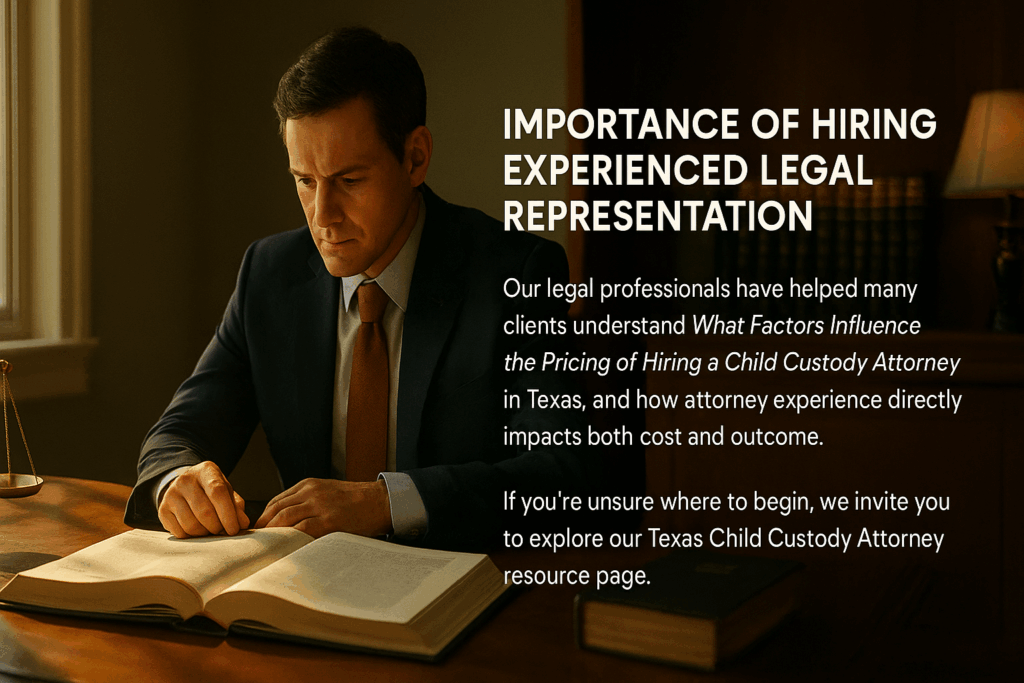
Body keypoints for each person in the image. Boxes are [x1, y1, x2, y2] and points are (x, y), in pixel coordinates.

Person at [123, 27, 599, 551]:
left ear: (415, 158)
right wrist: (177, 479)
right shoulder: (269, 273)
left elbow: (561, 474)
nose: (322, 216)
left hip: (462, 583)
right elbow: (178, 433)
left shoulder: (518, 273)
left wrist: (384, 503)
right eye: (305, 181)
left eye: (349, 181)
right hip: (308, 582)